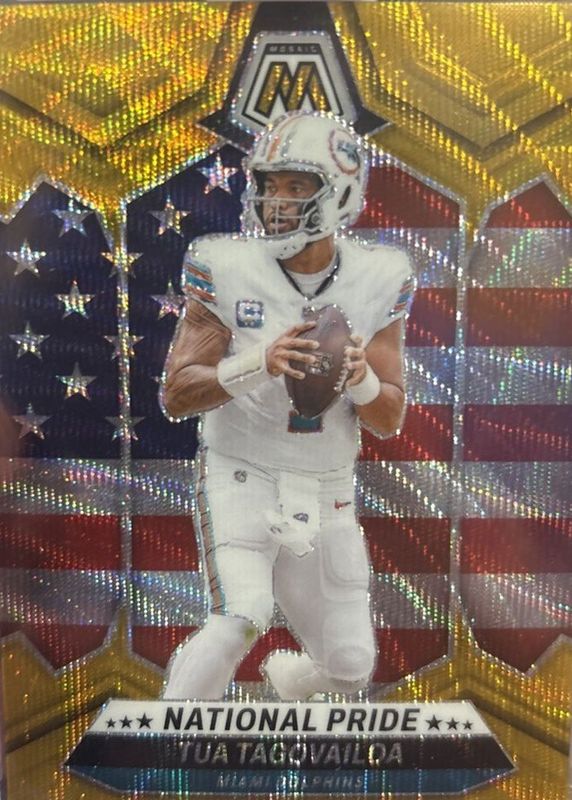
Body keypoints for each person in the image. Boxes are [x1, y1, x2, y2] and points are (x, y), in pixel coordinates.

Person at [161, 111, 413, 701]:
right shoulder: (226, 265)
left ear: (341, 193)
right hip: (242, 471)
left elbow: (389, 418)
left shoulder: (380, 274)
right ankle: (166, 734)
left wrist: (360, 380)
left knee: (350, 665)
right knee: (239, 619)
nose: (276, 201)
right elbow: (178, 393)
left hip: (326, 483)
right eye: (269, 185)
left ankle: (288, 682)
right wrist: (260, 362)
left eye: (297, 186)